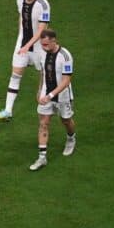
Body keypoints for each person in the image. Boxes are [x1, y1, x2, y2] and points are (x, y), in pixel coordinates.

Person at [0, 0, 51, 121]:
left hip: (39, 47)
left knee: (43, 73)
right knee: (15, 74)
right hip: (22, 44)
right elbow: (21, 16)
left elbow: (41, 30)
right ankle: (8, 110)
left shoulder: (43, 5)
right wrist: (21, 36)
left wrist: (28, 45)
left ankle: (42, 93)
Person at [29, 29, 76, 170]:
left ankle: (71, 138)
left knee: (66, 120)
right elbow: (43, 73)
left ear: (54, 41)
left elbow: (66, 80)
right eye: (42, 44)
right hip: (46, 93)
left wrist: (50, 95)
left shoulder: (65, 56)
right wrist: (39, 90)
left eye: (47, 44)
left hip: (62, 95)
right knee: (43, 123)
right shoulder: (42, 53)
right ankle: (42, 158)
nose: (44, 47)